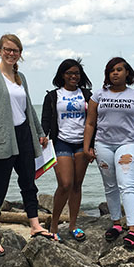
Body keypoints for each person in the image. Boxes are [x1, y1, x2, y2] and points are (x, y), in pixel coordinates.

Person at [0, 34, 58, 256]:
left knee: (28, 182)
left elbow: (29, 108)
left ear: (20, 53)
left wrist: (40, 133)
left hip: (24, 134)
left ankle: (34, 225)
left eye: (15, 50)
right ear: (0, 50)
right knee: (0, 186)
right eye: (7, 49)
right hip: (4, 137)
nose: (11, 53)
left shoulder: (20, 76)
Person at [83, 57, 134, 249]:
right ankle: (116, 224)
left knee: (126, 184)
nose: (115, 73)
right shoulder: (98, 96)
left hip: (127, 145)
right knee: (110, 185)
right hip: (103, 145)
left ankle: (133, 229)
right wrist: (87, 147)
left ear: (127, 73)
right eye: (111, 70)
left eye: (119, 70)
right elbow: (90, 123)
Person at [41, 59, 92, 241]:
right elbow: (45, 120)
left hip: (82, 144)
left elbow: (94, 120)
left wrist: (91, 146)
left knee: (77, 185)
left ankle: (73, 225)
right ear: (62, 74)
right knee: (65, 184)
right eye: (69, 73)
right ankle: (54, 225)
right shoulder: (53, 96)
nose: (73, 76)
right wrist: (42, 135)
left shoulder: (87, 94)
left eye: (77, 73)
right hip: (61, 142)